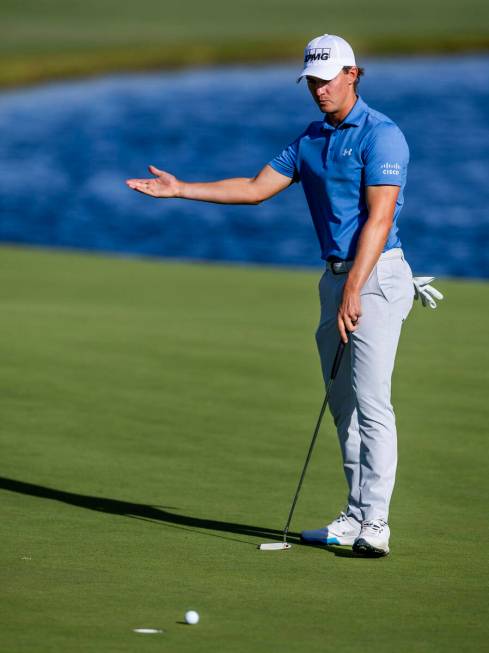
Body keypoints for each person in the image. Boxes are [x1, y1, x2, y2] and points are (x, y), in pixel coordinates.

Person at [126, 34, 434, 557]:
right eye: (311, 80)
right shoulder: (310, 139)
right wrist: (182, 189)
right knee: (343, 406)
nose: (318, 89)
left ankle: (376, 523)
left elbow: (380, 220)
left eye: (327, 78)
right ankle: (354, 514)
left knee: (372, 401)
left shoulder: (383, 136)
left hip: (376, 276)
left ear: (352, 75)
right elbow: (253, 186)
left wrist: (355, 288)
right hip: (336, 279)